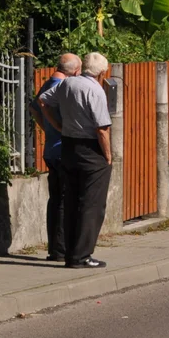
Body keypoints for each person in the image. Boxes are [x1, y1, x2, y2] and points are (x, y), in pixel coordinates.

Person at [39, 52, 113, 269]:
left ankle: (70, 253)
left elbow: (43, 101)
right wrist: (108, 156)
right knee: (92, 204)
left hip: (69, 146)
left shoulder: (67, 83)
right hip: (90, 149)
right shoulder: (95, 90)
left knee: (71, 201)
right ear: (101, 73)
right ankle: (82, 256)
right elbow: (102, 129)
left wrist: (58, 126)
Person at [28, 54, 81, 262]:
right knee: (65, 200)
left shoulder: (49, 82)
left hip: (51, 148)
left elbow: (35, 107)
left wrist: (48, 130)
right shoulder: (61, 87)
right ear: (75, 71)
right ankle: (61, 249)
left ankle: (55, 249)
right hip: (62, 150)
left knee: (56, 199)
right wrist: (58, 129)